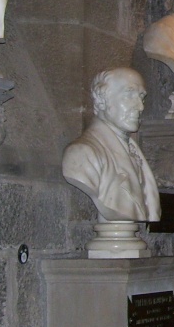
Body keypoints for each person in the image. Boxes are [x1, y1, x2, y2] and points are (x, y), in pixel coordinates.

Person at [62, 68, 162, 222]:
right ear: (102, 100)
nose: (141, 107)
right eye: (129, 95)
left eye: (141, 96)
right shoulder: (82, 153)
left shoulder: (133, 149)